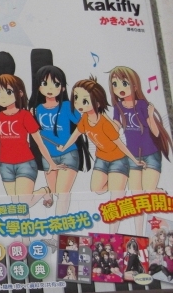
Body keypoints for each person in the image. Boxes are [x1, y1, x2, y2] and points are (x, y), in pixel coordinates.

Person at [58, 77, 145, 233]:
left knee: (115, 200)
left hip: (118, 160)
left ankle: (112, 235)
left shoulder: (105, 123)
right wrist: (64, 147)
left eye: (84, 100)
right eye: (76, 98)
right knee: (96, 189)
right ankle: (120, 186)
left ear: (97, 103)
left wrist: (134, 160)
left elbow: (120, 144)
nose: (78, 103)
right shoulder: (85, 118)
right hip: (102, 159)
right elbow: (76, 134)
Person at [109, 66, 172, 235]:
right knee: (137, 199)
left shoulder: (143, 105)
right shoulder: (118, 107)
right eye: (115, 84)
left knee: (147, 196)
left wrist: (150, 115)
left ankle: (156, 193)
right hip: (132, 157)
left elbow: (156, 133)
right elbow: (115, 127)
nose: (119, 88)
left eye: (124, 83)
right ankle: (138, 235)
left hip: (151, 154)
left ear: (135, 86)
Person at [0, 74, 62, 207]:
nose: (2, 97)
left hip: (25, 164)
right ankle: (44, 191)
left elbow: (39, 142)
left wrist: (51, 162)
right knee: (17, 205)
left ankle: (45, 191)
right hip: (5, 165)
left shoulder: (25, 115)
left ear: (20, 93)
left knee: (24, 204)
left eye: (8, 92)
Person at [29, 65, 90, 214]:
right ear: (39, 87)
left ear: (62, 88)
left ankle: (59, 228)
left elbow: (83, 124)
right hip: (48, 157)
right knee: (56, 192)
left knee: (63, 194)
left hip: (68, 154)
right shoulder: (37, 110)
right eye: (44, 83)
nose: (50, 88)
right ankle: (45, 191)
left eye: (55, 84)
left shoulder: (67, 106)